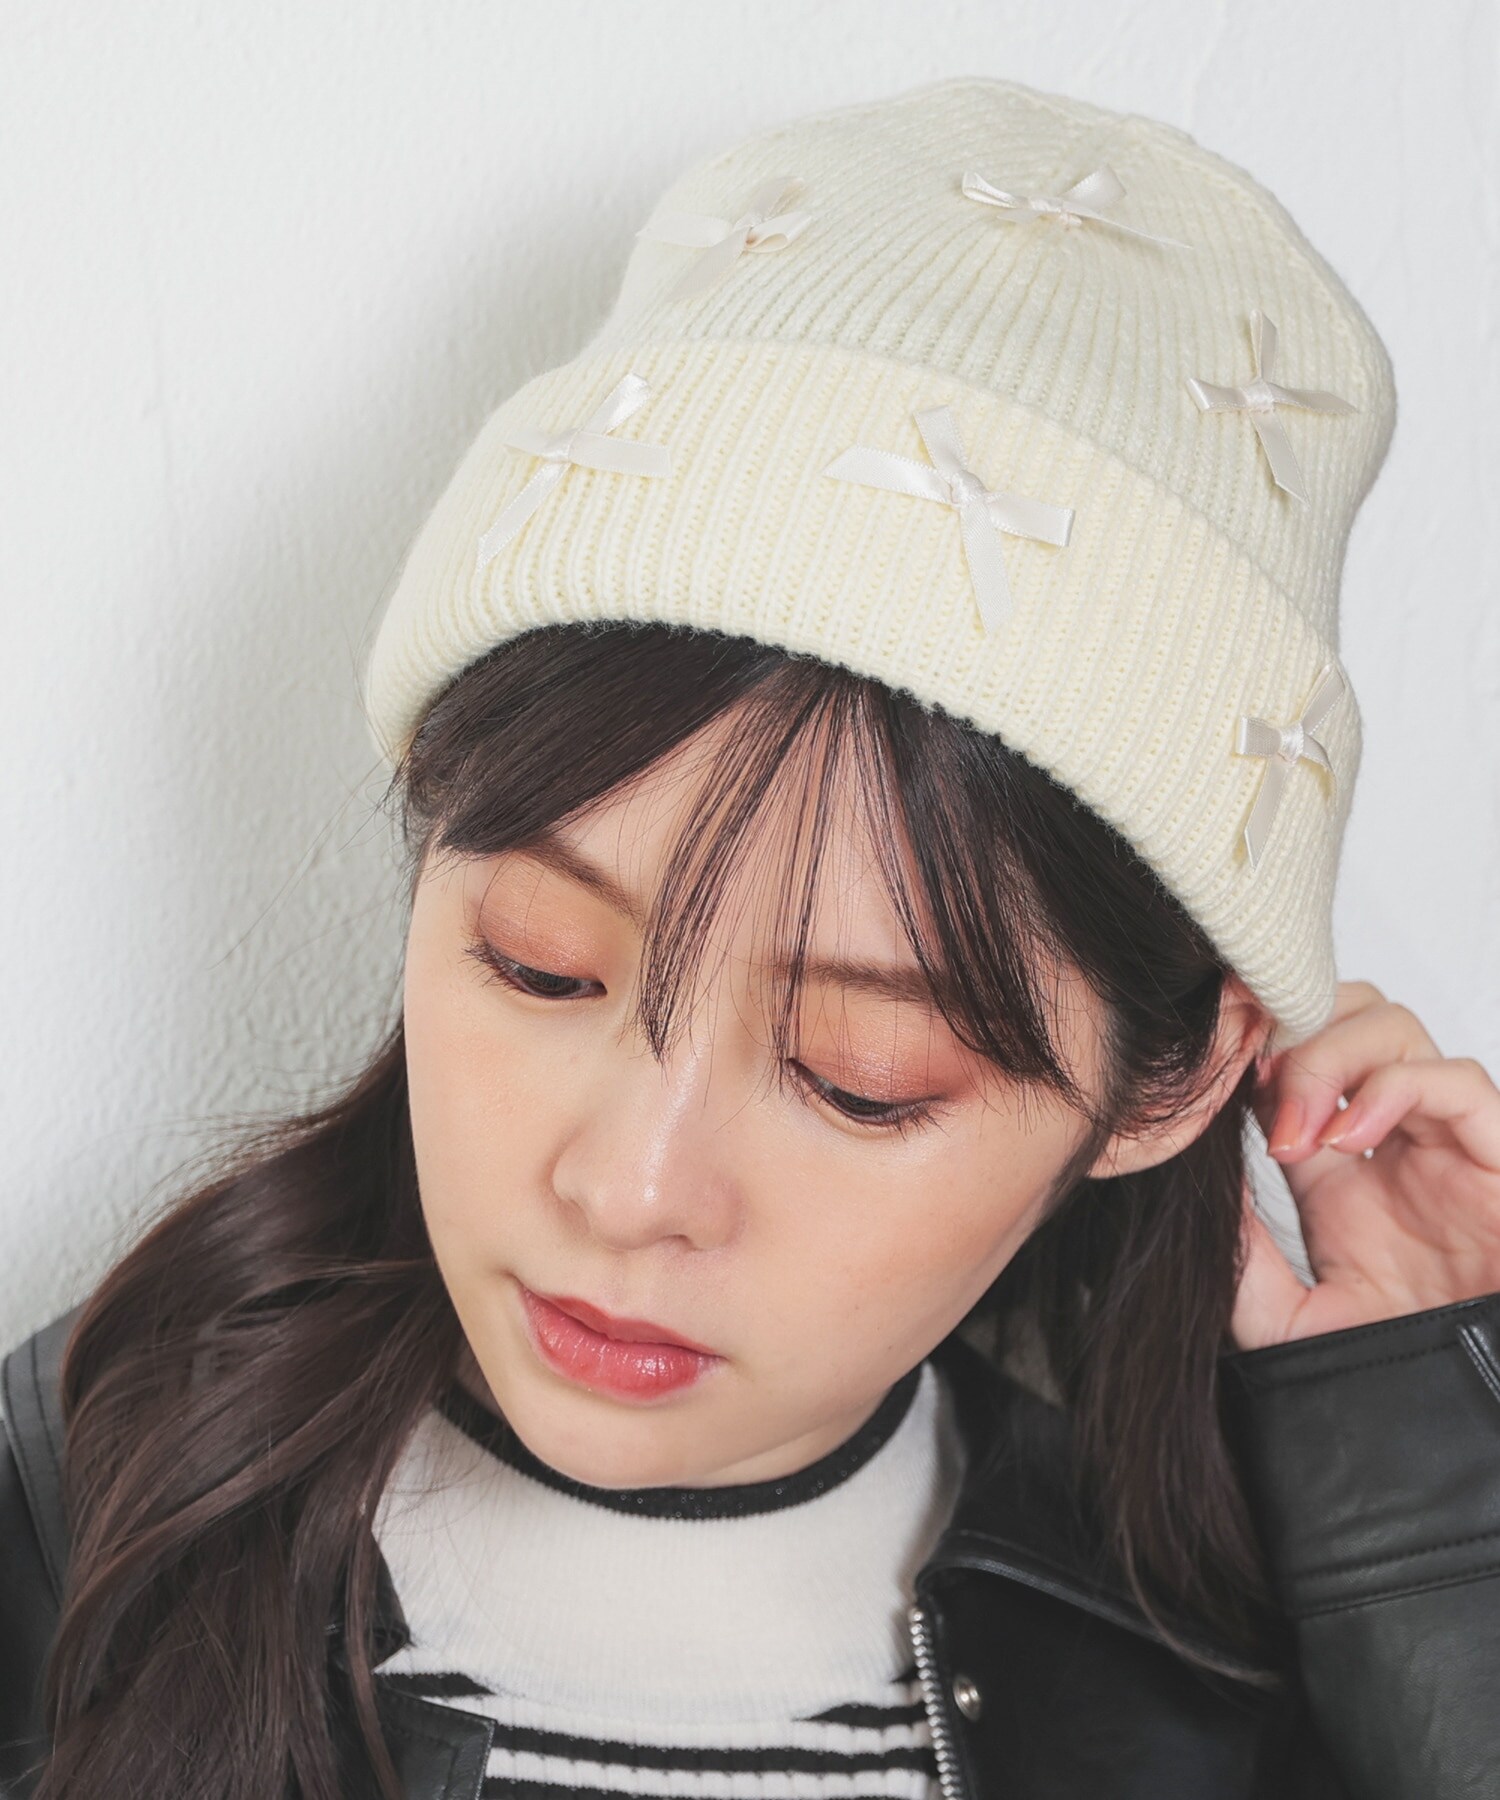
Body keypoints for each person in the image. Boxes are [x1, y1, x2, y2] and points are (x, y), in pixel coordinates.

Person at [3, 72, 1498, 1800]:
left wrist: (1430, 1504)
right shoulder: (62, 1546)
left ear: (1164, 1085)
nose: (629, 1190)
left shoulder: (1247, 1669)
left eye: (860, 1079)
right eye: (540, 966)